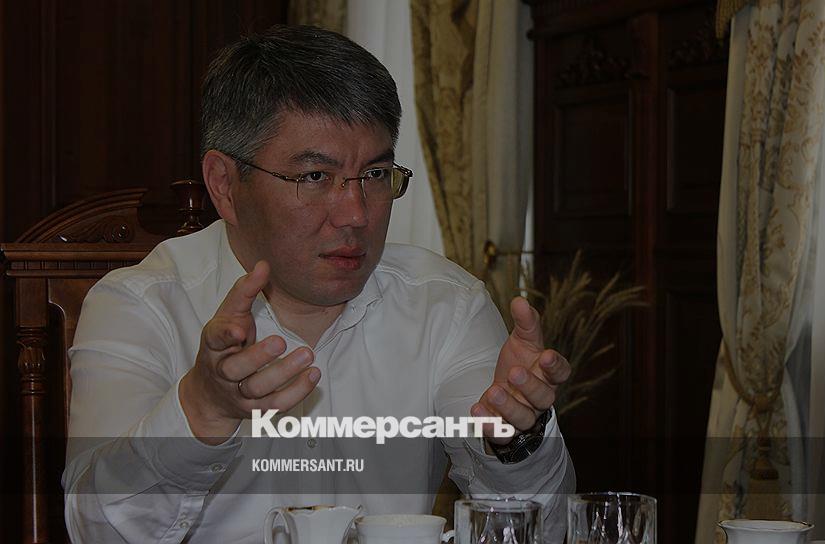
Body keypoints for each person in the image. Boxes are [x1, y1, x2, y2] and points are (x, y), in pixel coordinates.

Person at [63, 25, 575, 543]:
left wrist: (517, 441)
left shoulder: (445, 303)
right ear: (224, 184)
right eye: (314, 177)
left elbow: (541, 529)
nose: (356, 214)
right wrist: (202, 410)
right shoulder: (139, 305)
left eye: (375, 175)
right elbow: (95, 531)